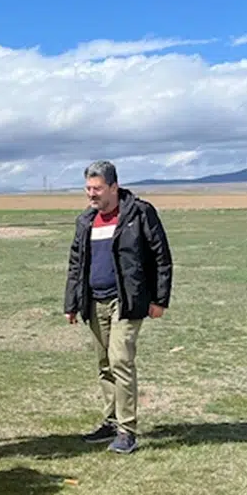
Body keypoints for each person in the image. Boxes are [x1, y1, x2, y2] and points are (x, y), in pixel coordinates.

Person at [64, 160, 173, 454]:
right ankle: (111, 422)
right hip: (94, 300)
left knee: (120, 360)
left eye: (97, 188)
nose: (91, 194)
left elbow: (161, 256)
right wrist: (72, 303)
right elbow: (76, 263)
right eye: (88, 188)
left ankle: (127, 431)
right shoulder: (86, 221)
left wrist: (159, 299)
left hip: (126, 300)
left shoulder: (139, 213)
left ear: (114, 187)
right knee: (104, 364)